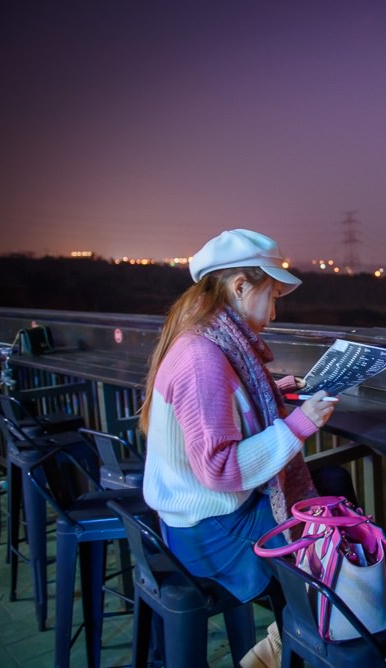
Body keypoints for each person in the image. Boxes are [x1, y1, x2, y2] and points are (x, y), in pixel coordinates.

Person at [139, 229, 337, 667]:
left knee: (331, 496)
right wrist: (301, 424)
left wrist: (280, 394)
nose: (275, 310)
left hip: (193, 520)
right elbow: (220, 468)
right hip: (209, 531)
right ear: (241, 287)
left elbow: (230, 406)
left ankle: (292, 637)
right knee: (332, 532)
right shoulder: (203, 357)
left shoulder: (206, 340)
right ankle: (291, 644)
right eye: (273, 294)